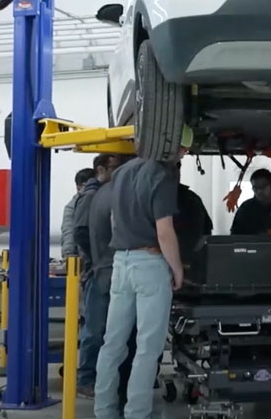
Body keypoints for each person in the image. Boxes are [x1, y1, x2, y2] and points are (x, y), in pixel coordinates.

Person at [93, 126, 192, 419]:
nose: (184, 154)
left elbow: (113, 218)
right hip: (149, 265)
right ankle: (137, 413)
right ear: (176, 147)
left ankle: (104, 410)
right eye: (184, 149)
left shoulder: (122, 171)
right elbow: (164, 232)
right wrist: (176, 270)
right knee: (148, 347)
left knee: (113, 344)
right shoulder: (163, 175)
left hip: (121, 264)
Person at [75, 154, 122, 397]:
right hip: (97, 271)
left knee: (109, 329)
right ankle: (86, 379)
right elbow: (80, 231)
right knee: (95, 328)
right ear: (100, 169)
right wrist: (95, 259)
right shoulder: (92, 196)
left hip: (108, 268)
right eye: (116, 167)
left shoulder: (108, 193)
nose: (120, 171)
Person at [61, 168, 95, 259]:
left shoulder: (71, 206)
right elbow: (69, 230)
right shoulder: (72, 206)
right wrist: (69, 254)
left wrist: (68, 254)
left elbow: (68, 230)